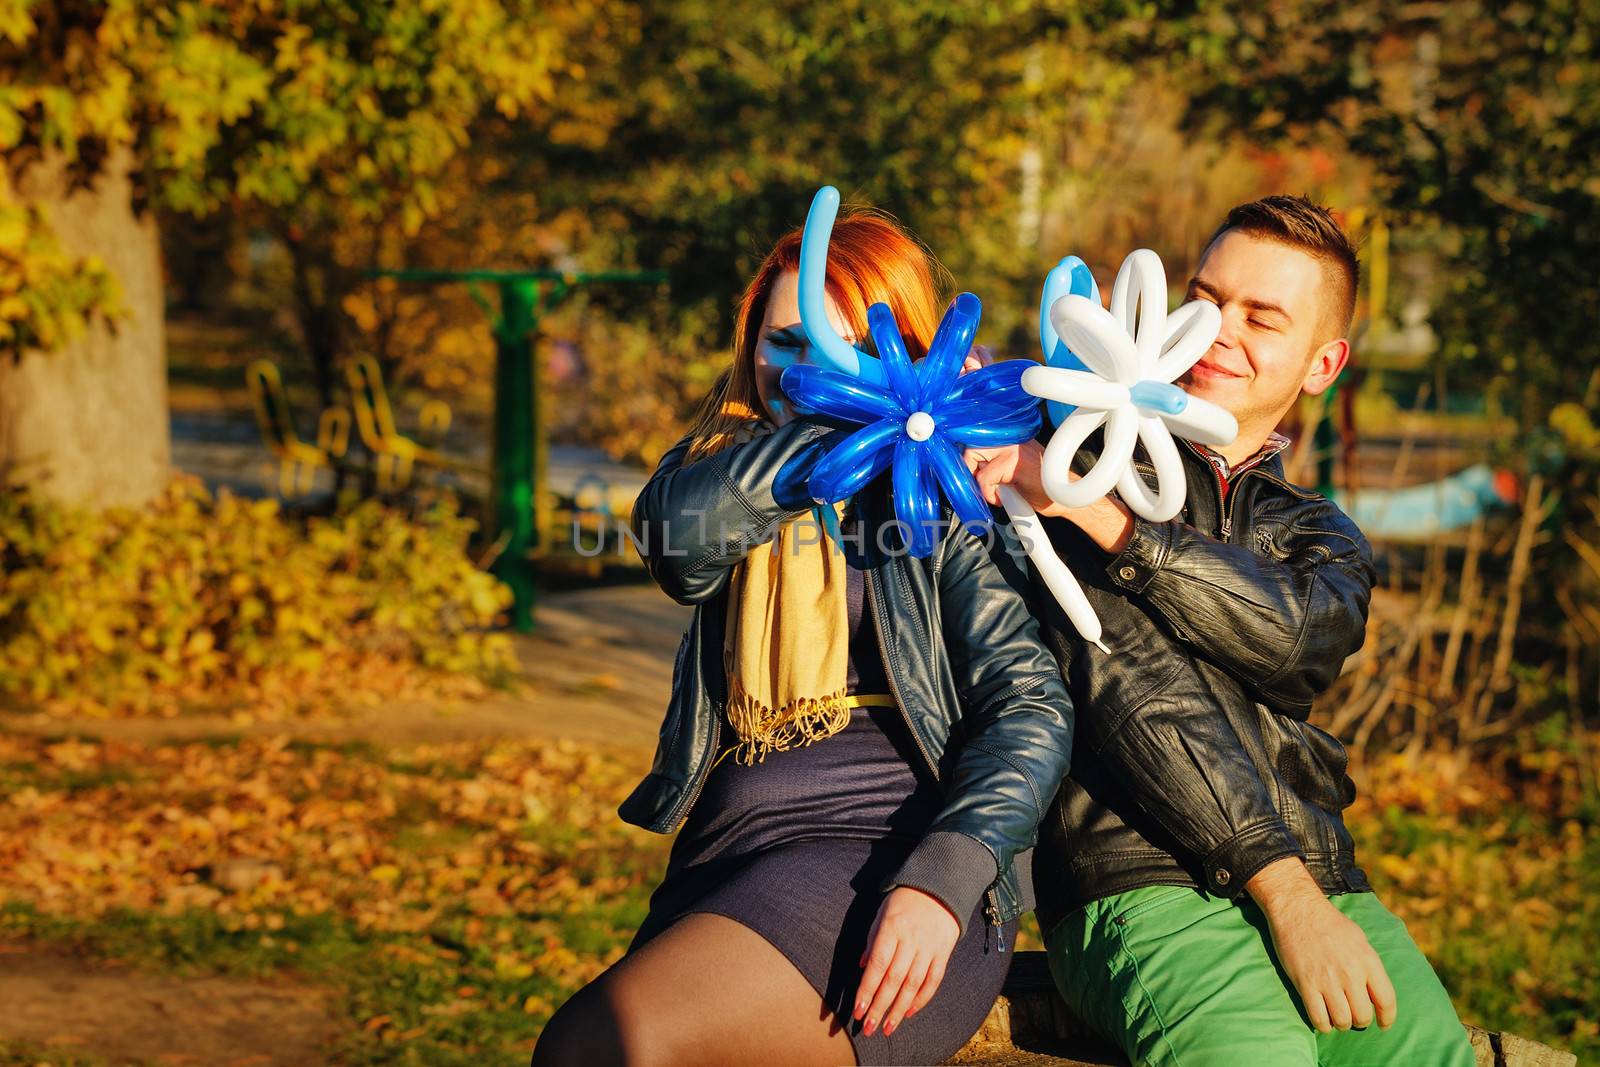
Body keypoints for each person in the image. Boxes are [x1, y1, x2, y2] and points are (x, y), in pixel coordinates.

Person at [532, 208, 1074, 1067]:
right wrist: (835, 427)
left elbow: (1029, 707)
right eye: (788, 341)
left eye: (847, 345)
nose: (809, 371)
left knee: (597, 1047)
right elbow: (679, 543)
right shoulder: (724, 465)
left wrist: (946, 877)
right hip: (729, 851)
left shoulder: (950, 484)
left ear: (903, 345)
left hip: (895, 857)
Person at [967, 196, 1476, 1066]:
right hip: (1138, 880)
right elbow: (1133, 689)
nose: (1217, 329)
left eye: (1261, 317)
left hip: (1324, 878)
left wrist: (1124, 532)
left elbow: (1297, 642)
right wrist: (1286, 896)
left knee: (1431, 1054)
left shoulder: (1319, 531)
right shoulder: (1072, 463)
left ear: (1323, 363)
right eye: (1204, 298)